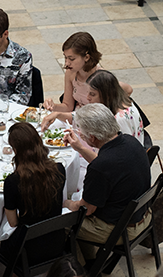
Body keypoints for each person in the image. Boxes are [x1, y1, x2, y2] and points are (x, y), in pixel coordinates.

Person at [62, 104, 152, 264]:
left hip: (120, 229)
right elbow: (108, 167)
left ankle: (79, 267)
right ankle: (91, 260)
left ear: (93, 138)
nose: (79, 134)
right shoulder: (131, 142)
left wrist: (66, 203)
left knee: (59, 221)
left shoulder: (101, 167)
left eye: (81, 131)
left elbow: (86, 210)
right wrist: (80, 148)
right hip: (143, 215)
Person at [0, 123, 67, 266]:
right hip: (57, 241)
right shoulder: (59, 169)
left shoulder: (13, 181)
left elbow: (13, 222)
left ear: (16, 150)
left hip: (26, 248)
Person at [43, 32, 133, 115]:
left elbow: (128, 89)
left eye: (71, 59)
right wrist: (53, 106)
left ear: (86, 57)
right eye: (65, 58)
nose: (67, 63)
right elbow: (68, 106)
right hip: (78, 117)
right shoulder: (70, 73)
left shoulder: (100, 77)